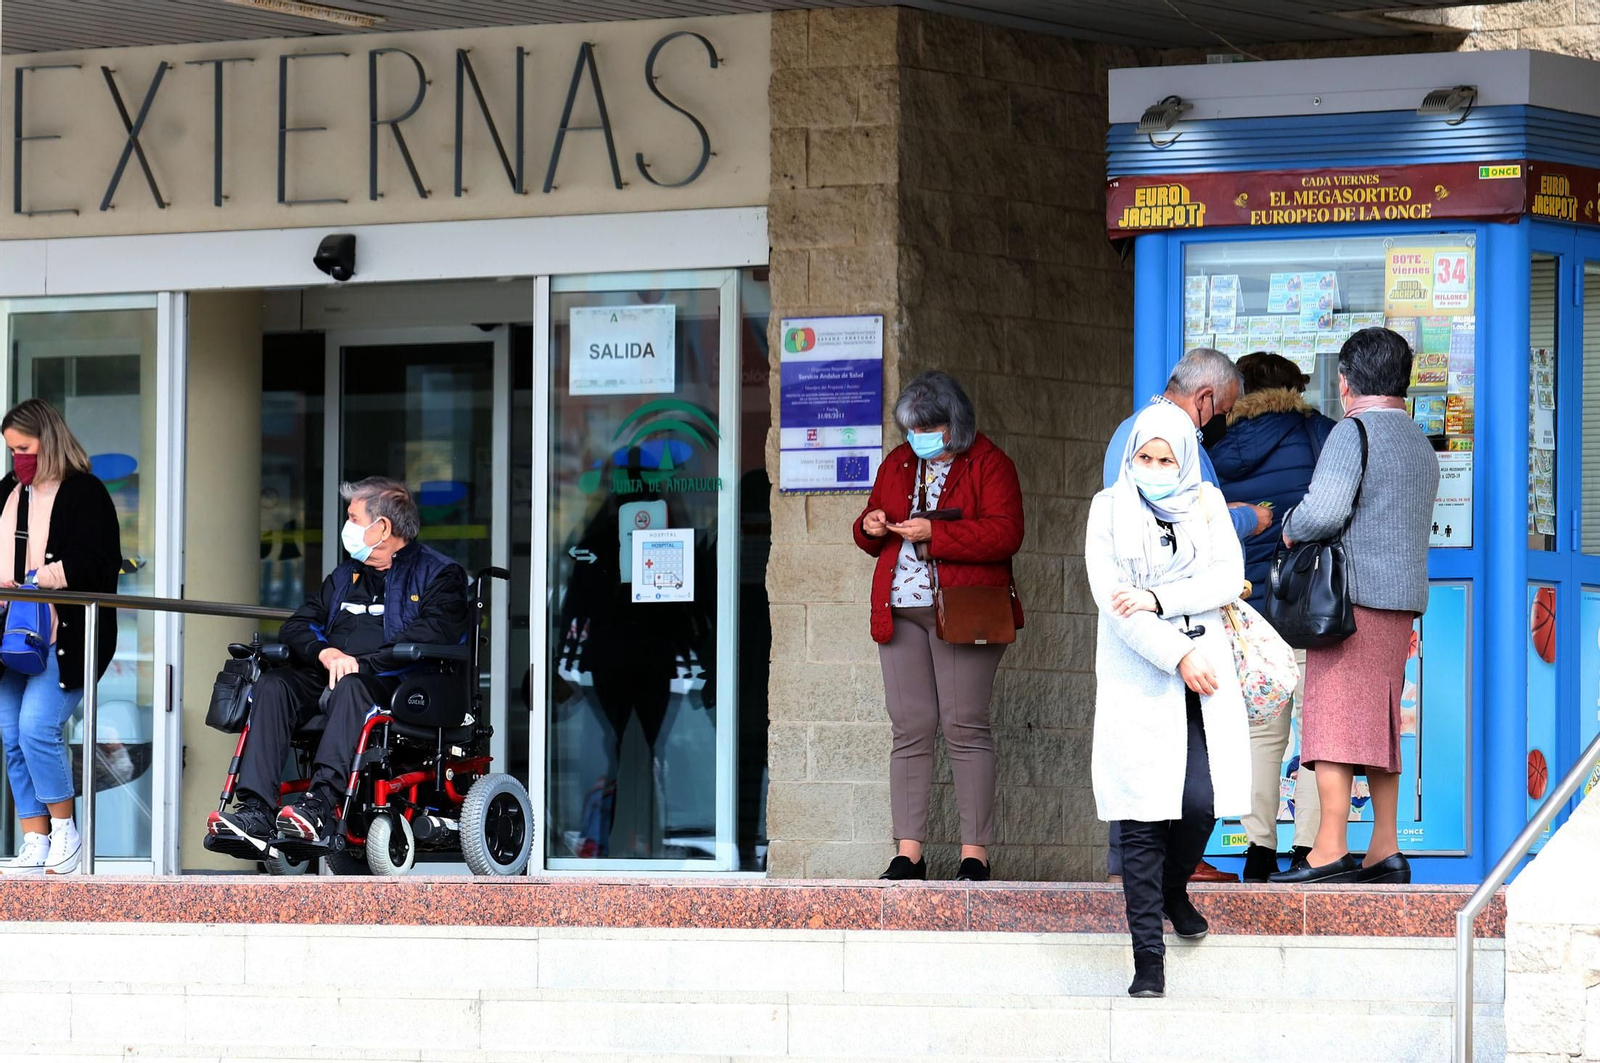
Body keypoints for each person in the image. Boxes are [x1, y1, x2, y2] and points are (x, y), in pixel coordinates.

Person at [208, 477, 469, 849]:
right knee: (273, 685)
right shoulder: (346, 576)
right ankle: (256, 812)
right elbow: (298, 624)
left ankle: (320, 806)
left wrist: (360, 665)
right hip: (330, 674)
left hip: (398, 682)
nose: (347, 527)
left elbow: (432, 634)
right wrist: (325, 653)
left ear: (382, 527)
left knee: (350, 687)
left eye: (353, 518)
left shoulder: (440, 574)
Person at [1087, 402, 1250, 998]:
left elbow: (1227, 578)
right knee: (1141, 816)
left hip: (1204, 679)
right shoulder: (1108, 509)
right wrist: (1174, 652)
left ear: (1185, 462)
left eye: (1166, 459)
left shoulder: (1207, 504)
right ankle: (1147, 960)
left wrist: (1157, 598)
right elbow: (1114, 602)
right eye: (1144, 457)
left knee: (1200, 802)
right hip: (1143, 675)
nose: (1154, 468)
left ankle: (1174, 888)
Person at [1270, 328, 1438, 885]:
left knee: (1334, 720)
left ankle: (1328, 848)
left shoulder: (1353, 431)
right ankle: (1383, 848)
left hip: (1352, 602)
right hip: (1400, 604)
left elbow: (1324, 511)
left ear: (1345, 381)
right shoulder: (1416, 438)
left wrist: (1289, 530)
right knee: (1382, 722)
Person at [1102, 347, 1267, 885]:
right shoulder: (1174, 438)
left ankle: (1154, 871)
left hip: (1154, 625)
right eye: (1221, 413)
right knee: (1166, 760)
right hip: (1162, 633)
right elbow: (1195, 540)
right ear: (1204, 400)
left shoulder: (1131, 432)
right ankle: (1171, 871)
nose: (1218, 425)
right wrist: (1250, 517)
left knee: (1164, 759)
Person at [854, 371, 1024, 883]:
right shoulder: (899, 462)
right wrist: (869, 526)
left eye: (930, 427)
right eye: (912, 428)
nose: (919, 436)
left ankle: (975, 854)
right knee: (910, 729)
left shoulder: (990, 463)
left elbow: (1006, 533)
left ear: (956, 425)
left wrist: (937, 533)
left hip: (963, 610)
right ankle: (909, 853)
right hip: (900, 610)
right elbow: (869, 522)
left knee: (964, 728)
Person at [1206, 352, 1335, 881]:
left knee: (1262, 731)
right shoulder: (1320, 435)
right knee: (1318, 730)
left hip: (1244, 609)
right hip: (1307, 603)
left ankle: (1257, 847)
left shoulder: (1209, 450)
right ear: (1294, 389)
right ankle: (1308, 847)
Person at [0, 399, 122, 876]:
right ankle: (35, 839)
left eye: (24, 448)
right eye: (11, 450)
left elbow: (98, 563)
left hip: (63, 632)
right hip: (11, 633)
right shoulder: (10, 490)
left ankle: (65, 834)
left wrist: (37, 577)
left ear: (47, 441)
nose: (17, 459)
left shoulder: (84, 491)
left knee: (36, 727)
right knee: (11, 735)